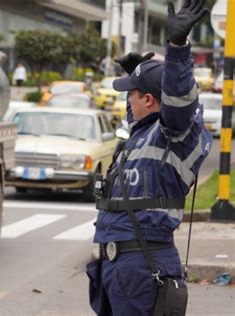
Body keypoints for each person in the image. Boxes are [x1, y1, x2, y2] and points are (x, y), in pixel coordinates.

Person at [88, 0, 212, 315]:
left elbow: (179, 101)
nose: (127, 100)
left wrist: (178, 48)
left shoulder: (172, 133)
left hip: (143, 265)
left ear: (147, 98)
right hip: (120, 266)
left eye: (132, 92)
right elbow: (146, 106)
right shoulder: (141, 134)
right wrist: (137, 72)